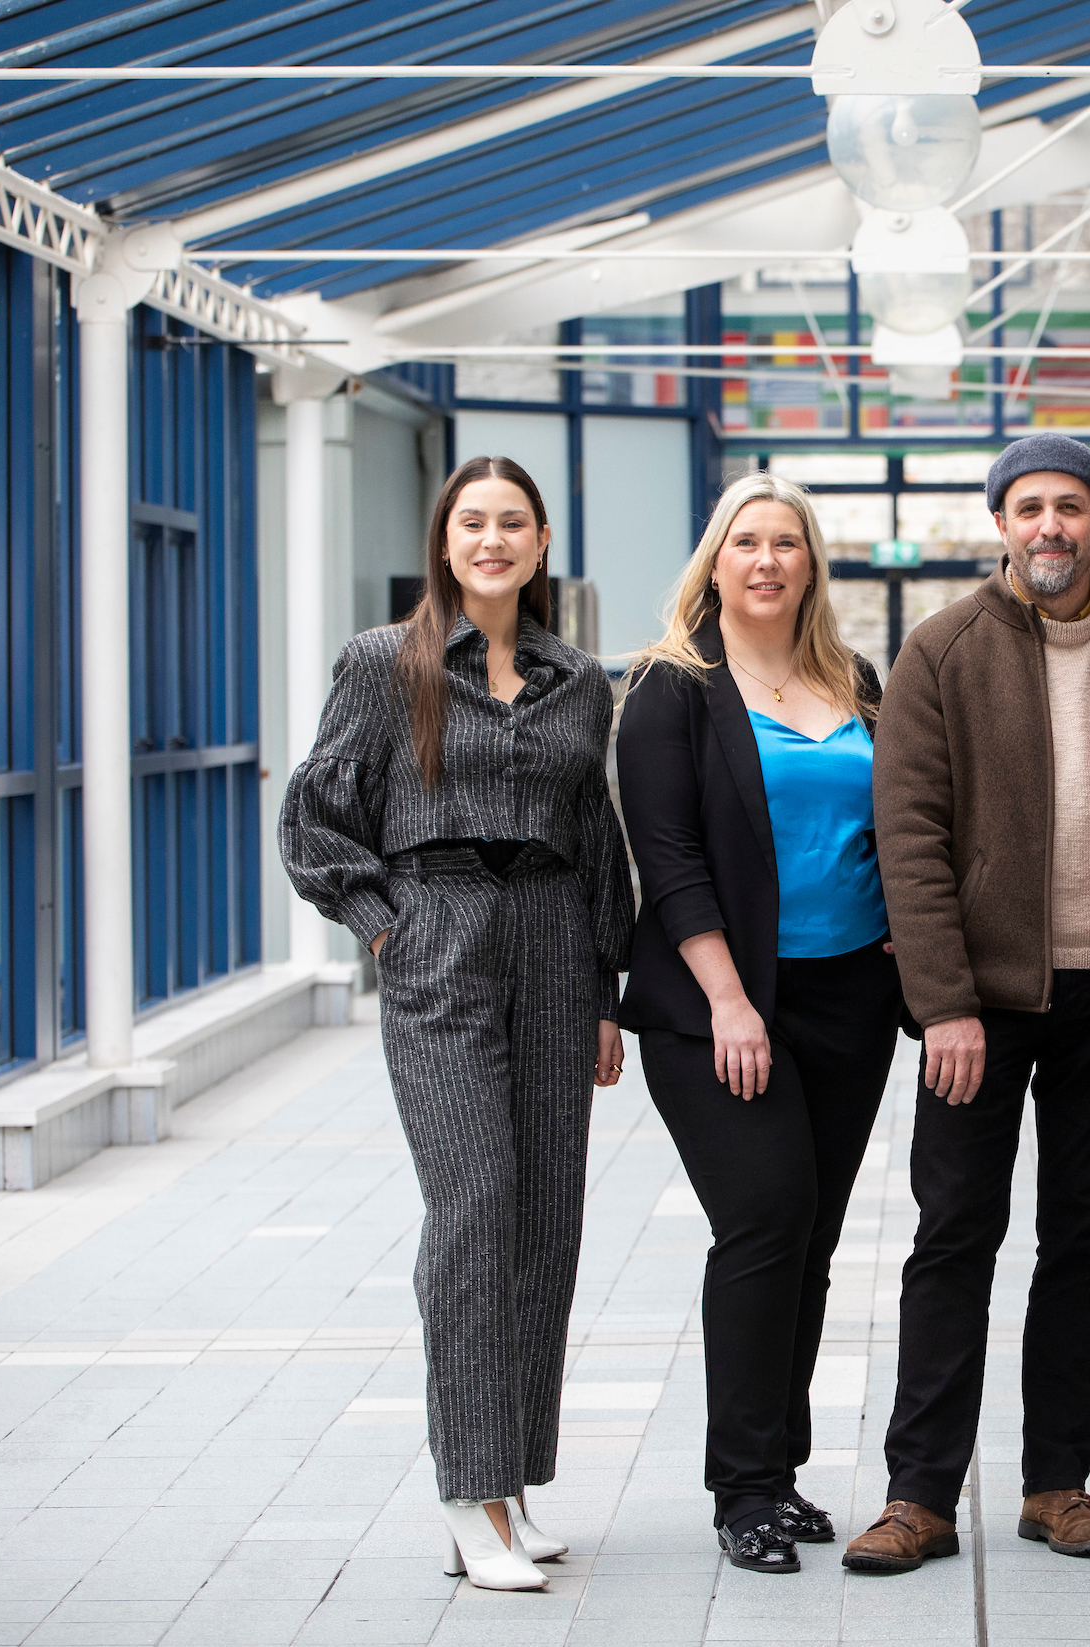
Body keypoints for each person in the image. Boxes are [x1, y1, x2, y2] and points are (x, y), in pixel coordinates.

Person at [846, 434, 1090, 1573]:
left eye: (1071, 507)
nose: (1049, 526)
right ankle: (919, 1496)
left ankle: (1059, 1482)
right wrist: (942, 1002)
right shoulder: (941, 649)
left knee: (1083, 1240)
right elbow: (905, 836)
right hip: (980, 1010)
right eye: (1028, 507)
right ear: (1000, 523)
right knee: (954, 1238)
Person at [281, 455, 632, 1592]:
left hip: (551, 938)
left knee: (545, 1216)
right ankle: (464, 1492)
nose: (492, 540)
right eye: (473, 522)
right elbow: (317, 813)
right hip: (439, 934)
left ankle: (512, 1482)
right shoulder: (385, 665)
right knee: (475, 1204)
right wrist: (387, 925)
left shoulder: (580, 678)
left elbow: (599, 839)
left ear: (539, 544)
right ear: (446, 540)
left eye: (513, 523)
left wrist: (601, 992)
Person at [616, 473, 901, 1576]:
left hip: (849, 998)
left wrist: (900, 943)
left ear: (811, 564)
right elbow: (671, 858)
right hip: (718, 1006)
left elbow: (890, 824)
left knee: (813, 1240)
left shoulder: (853, 680)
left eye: (789, 543)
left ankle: (779, 1468)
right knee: (766, 1219)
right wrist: (731, 999)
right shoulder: (669, 687)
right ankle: (743, 1487)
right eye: (749, 542)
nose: (769, 560)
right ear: (716, 561)